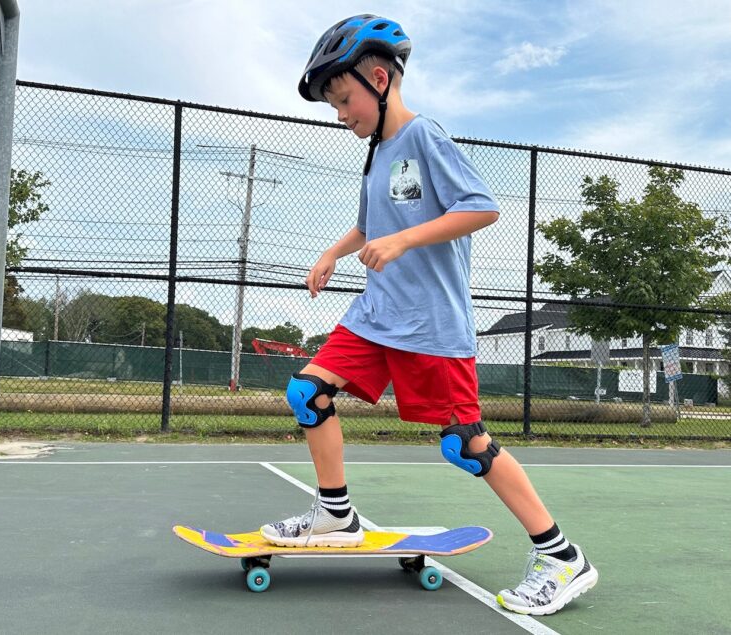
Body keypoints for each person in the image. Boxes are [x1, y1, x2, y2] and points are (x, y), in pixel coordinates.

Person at [261, 14, 598, 616]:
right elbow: (372, 223)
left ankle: (563, 557)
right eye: (334, 106)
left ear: (380, 77)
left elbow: (481, 208)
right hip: (376, 315)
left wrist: (406, 241)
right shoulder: (377, 155)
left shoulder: (425, 138)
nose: (341, 114)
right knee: (306, 392)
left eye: (344, 100)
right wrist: (333, 253)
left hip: (431, 324)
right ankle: (337, 515)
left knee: (465, 444)